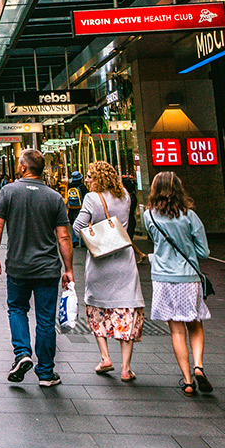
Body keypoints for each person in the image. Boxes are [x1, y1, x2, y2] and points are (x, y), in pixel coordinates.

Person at [0, 149, 73, 388]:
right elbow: (64, 237)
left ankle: (22, 353)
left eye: (19, 163)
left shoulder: (8, 191)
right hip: (48, 268)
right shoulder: (54, 197)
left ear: (24, 167)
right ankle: (46, 373)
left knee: (17, 309)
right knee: (46, 320)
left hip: (18, 267)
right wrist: (69, 268)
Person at [142, 171, 212, 396]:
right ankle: (198, 366)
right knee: (195, 324)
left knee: (176, 330)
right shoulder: (190, 216)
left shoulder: (148, 216)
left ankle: (188, 380)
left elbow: (156, 243)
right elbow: (204, 252)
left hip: (163, 279)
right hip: (188, 278)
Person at [72, 161, 143, 381]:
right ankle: (126, 367)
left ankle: (105, 358)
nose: (87, 181)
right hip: (124, 258)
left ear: (100, 179)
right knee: (126, 308)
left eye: (91, 177)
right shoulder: (125, 196)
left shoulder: (92, 198)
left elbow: (78, 226)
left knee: (98, 307)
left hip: (100, 260)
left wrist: (94, 234)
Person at [66, 170, 88, 245]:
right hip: (81, 207)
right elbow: (86, 195)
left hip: (72, 207)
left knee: (75, 223)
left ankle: (74, 240)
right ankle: (82, 241)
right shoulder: (82, 186)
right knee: (83, 223)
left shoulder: (69, 186)